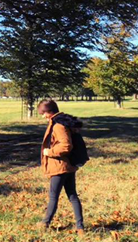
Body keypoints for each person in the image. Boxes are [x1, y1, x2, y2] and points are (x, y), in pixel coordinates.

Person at [37, 100, 84, 236]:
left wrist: (49, 152)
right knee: (72, 196)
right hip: (68, 166)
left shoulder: (58, 125)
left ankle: (45, 223)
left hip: (60, 166)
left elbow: (66, 146)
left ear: (50, 111)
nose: (43, 116)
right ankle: (80, 228)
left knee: (53, 197)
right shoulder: (62, 121)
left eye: (43, 113)